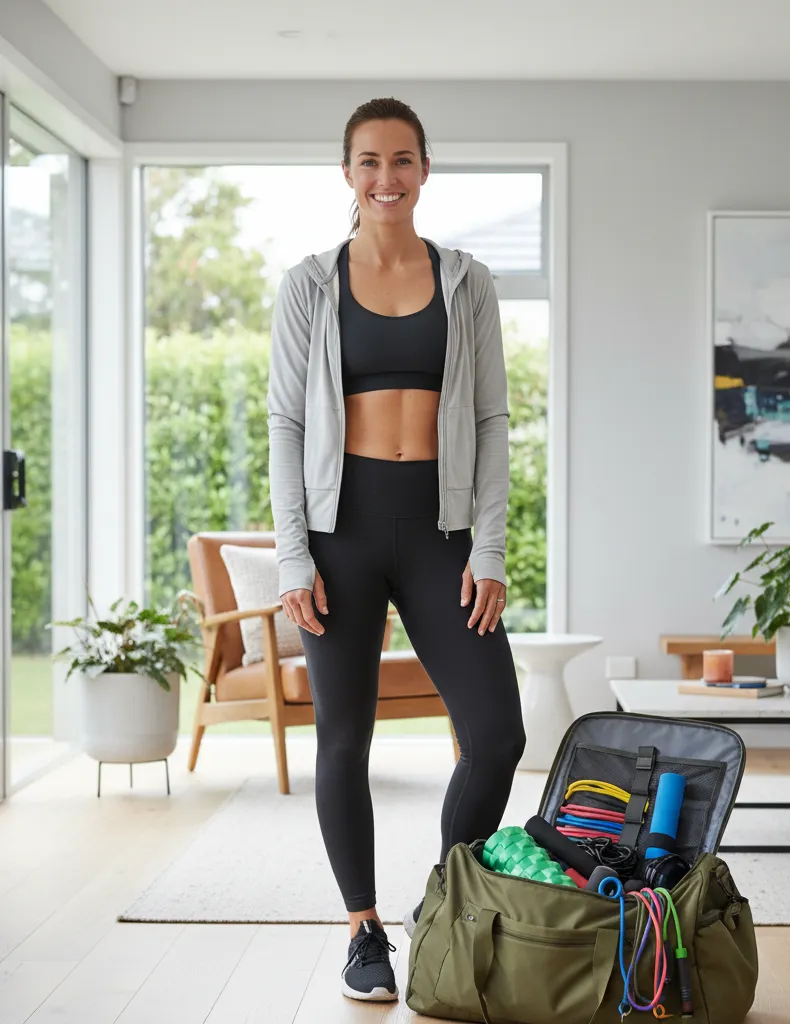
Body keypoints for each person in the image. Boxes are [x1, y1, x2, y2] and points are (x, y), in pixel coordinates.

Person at [266, 97, 527, 1002]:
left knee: (496, 735)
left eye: (403, 160)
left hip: (442, 531)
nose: (387, 177)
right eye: (370, 161)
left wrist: (488, 550)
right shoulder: (309, 284)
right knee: (345, 737)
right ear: (347, 173)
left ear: (425, 170)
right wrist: (292, 556)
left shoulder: (467, 281)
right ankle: (364, 930)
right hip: (341, 531)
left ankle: (440, 905)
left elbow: (494, 420)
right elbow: (286, 423)